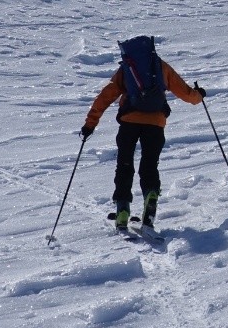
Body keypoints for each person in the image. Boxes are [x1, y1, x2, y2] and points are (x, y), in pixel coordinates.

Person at [80, 35, 205, 229]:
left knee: (124, 164)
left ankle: (122, 208)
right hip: (155, 123)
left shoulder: (128, 68)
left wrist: (90, 124)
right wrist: (199, 96)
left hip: (129, 123)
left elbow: (106, 96)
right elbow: (186, 93)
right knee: (149, 166)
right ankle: (151, 195)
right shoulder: (160, 66)